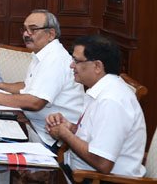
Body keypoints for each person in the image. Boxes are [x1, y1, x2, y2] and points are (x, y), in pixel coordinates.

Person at [0, 9, 84, 147]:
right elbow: (27, 86)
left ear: (51, 34)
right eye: (24, 29)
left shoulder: (56, 59)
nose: (26, 34)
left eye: (33, 30)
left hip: (49, 138)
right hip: (33, 126)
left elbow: (35, 102)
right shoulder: (42, 54)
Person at [46, 35, 146, 177]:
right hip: (79, 172)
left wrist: (65, 134)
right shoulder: (102, 90)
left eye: (76, 61)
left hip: (98, 179)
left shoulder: (112, 101)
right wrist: (70, 127)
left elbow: (103, 163)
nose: (71, 65)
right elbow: (95, 136)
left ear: (97, 66)